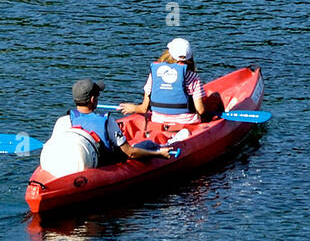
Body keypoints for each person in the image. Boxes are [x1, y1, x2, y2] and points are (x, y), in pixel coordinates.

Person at [39, 78, 173, 177]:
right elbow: (130, 153)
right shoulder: (107, 122)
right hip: (104, 164)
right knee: (148, 144)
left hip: (79, 160)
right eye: (97, 95)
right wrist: (158, 154)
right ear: (92, 100)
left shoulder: (63, 121)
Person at [117, 37, 222, 130]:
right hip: (188, 124)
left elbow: (144, 108)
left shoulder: (154, 74)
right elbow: (201, 110)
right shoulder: (193, 77)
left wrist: (132, 107)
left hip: (158, 122)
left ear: (169, 54)